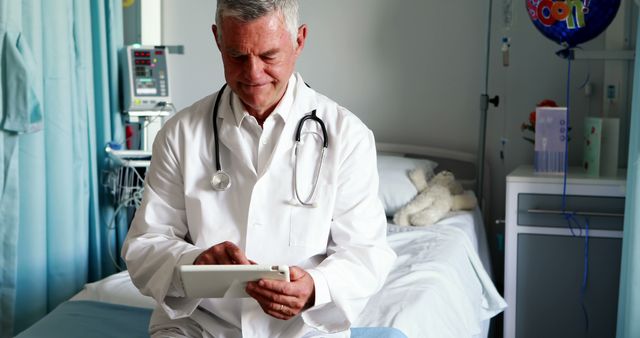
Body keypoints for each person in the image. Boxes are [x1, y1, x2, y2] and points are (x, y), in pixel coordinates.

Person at [121, 1, 396, 337]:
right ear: (218, 40)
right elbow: (145, 245)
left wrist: (316, 287)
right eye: (237, 56)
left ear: (299, 41)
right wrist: (194, 263)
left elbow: (366, 252)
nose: (252, 74)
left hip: (300, 331)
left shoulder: (348, 136)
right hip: (198, 327)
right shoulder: (180, 134)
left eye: (268, 56)